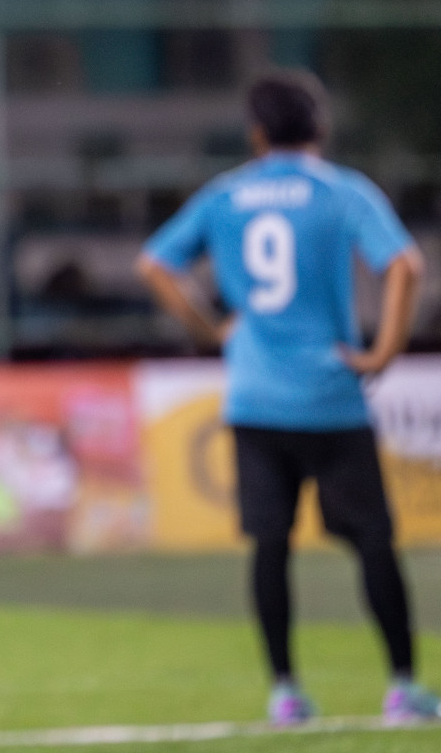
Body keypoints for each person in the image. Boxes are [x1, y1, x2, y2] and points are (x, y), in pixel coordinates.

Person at [137, 71, 439, 726]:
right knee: (374, 543)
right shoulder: (342, 191)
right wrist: (382, 354)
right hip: (331, 397)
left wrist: (210, 331)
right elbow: (406, 266)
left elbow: (155, 265)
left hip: (254, 398)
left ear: (256, 133)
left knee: (270, 546)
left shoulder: (225, 195)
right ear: (321, 129)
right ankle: (403, 687)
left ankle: (285, 692)